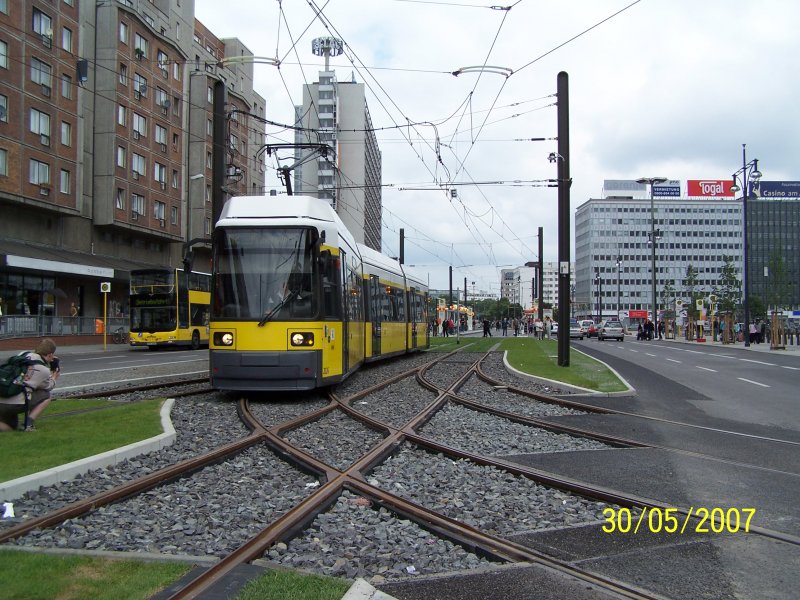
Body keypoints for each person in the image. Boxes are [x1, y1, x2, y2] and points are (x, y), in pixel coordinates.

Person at [0, 338, 60, 432]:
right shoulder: (44, 370)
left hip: (3, 396)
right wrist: (55, 377)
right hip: (14, 404)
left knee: (11, 427)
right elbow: (48, 387)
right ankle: (28, 424)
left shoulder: (22, 354)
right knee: (46, 396)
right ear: (50, 354)